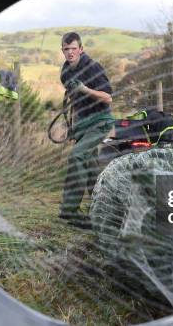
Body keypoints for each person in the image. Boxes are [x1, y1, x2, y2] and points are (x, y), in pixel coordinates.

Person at [58, 32, 114, 228]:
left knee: (77, 156)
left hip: (100, 121)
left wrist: (85, 89)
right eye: (67, 49)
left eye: (74, 48)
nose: (70, 52)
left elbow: (108, 97)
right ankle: (104, 209)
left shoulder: (93, 67)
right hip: (83, 124)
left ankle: (69, 211)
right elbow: (74, 103)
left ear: (81, 49)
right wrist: (73, 127)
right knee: (90, 167)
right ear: (62, 51)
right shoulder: (65, 73)